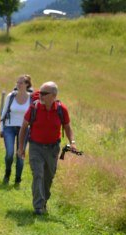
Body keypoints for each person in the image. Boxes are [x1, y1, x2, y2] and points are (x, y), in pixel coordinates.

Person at [18, 81, 78, 215]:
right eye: (40, 92)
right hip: (35, 147)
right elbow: (23, 129)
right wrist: (21, 148)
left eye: (44, 93)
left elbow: (67, 127)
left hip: (53, 148)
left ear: (54, 95)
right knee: (38, 174)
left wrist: (72, 142)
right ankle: (38, 206)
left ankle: (44, 201)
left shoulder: (62, 110)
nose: (41, 95)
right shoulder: (34, 108)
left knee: (48, 177)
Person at [0, 74, 33, 185]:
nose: (18, 84)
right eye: (17, 82)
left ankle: (17, 179)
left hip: (24, 129)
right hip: (9, 127)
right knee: (9, 153)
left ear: (27, 84)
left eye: (21, 83)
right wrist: (1, 128)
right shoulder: (11, 96)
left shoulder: (31, 98)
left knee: (20, 154)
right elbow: (4, 113)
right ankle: (7, 173)